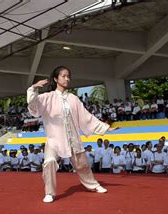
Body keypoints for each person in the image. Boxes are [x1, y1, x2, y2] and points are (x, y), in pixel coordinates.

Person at [27, 66, 118, 203]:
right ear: (56, 79)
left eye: (68, 76)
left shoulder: (73, 99)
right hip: (54, 139)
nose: (67, 78)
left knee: (82, 165)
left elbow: (86, 117)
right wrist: (33, 88)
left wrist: (105, 128)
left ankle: (93, 185)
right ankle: (49, 192)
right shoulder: (47, 97)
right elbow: (33, 106)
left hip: (72, 138)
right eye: (63, 76)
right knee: (49, 162)